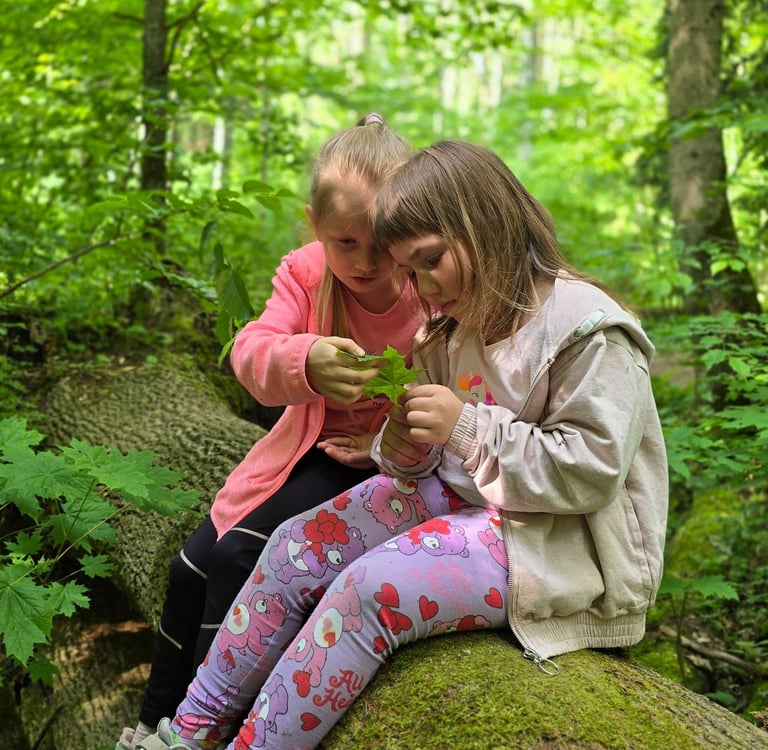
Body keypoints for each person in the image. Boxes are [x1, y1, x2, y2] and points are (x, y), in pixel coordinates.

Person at [136, 139, 668, 750]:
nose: (421, 287)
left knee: (368, 592)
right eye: (409, 271)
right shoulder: (450, 326)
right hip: (460, 500)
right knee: (291, 547)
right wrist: (405, 443)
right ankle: (191, 731)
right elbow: (416, 457)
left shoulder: (587, 331)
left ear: (486, 222)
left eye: (429, 261)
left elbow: (592, 471)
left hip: (550, 542)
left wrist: (464, 426)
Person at [116, 114, 424, 750]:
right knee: (187, 569)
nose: (365, 263)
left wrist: (385, 441)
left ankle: (207, 727)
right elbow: (252, 352)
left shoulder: (425, 289)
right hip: (301, 450)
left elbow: (456, 390)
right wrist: (304, 359)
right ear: (315, 227)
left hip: (378, 465)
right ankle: (152, 724)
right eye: (345, 243)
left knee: (238, 557)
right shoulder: (307, 274)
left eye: (380, 243)